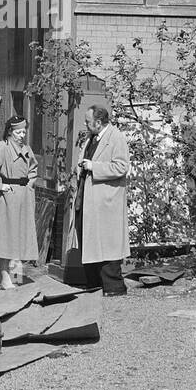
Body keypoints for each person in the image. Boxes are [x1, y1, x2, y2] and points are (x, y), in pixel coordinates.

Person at [72, 103, 130, 295]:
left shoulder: (116, 138)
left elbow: (121, 167)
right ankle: (94, 285)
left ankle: (114, 287)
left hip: (105, 202)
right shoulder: (92, 138)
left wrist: (93, 166)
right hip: (87, 200)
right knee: (87, 241)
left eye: (88, 122)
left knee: (107, 245)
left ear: (98, 122)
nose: (85, 125)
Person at [0, 116, 39, 290]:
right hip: (6, 197)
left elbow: (33, 168)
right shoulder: (1, 148)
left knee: (19, 236)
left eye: (24, 131)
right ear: (10, 131)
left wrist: (30, 184)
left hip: (23, 196)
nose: (22, 135)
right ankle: (5, 278)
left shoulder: (26, 148)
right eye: (18, 132)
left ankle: (15, 275)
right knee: (6, 238)